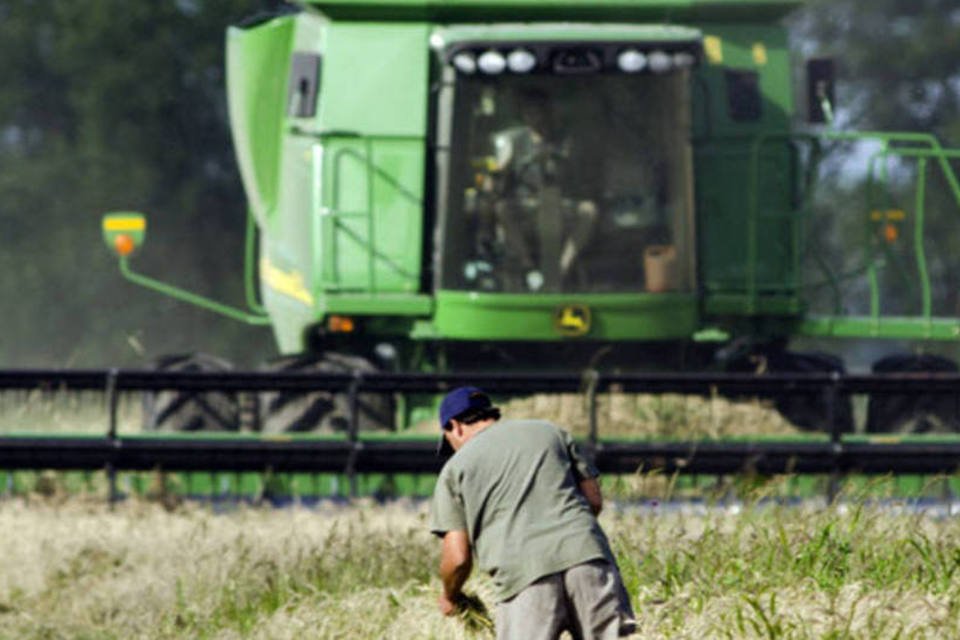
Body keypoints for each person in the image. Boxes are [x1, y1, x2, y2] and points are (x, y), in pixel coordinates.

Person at [429, 386, 636, 639]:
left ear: (455, 426)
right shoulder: (550, 432)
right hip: (587, 557)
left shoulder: (454, 469)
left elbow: (458, 558)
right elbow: (593, 500)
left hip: (524, 578)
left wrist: (450, 596)